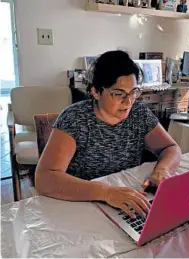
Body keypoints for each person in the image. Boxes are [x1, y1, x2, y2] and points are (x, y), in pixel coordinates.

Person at [35, 50, 181, 218]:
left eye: (133, 92)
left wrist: (162, 170)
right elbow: (44, 179)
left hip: (126, 203)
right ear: (96, 92)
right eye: (118, 94)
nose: (128, 102)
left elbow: (171, 148)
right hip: (81, 207)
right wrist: (106, 193)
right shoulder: (75, 119)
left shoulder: (139, 114)